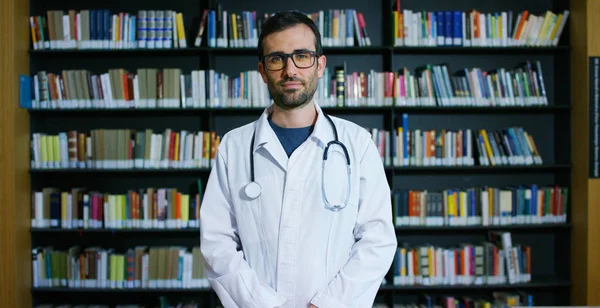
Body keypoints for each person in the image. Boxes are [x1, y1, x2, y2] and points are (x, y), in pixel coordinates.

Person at [199, 10, 398, 308]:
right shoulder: (234, 146)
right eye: (277, 58)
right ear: (263, 70)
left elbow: (377, 240)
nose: (290, 70)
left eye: (301, 56)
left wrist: (327, 305)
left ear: (319, 65)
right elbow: (217, 244)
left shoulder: (357, 143)